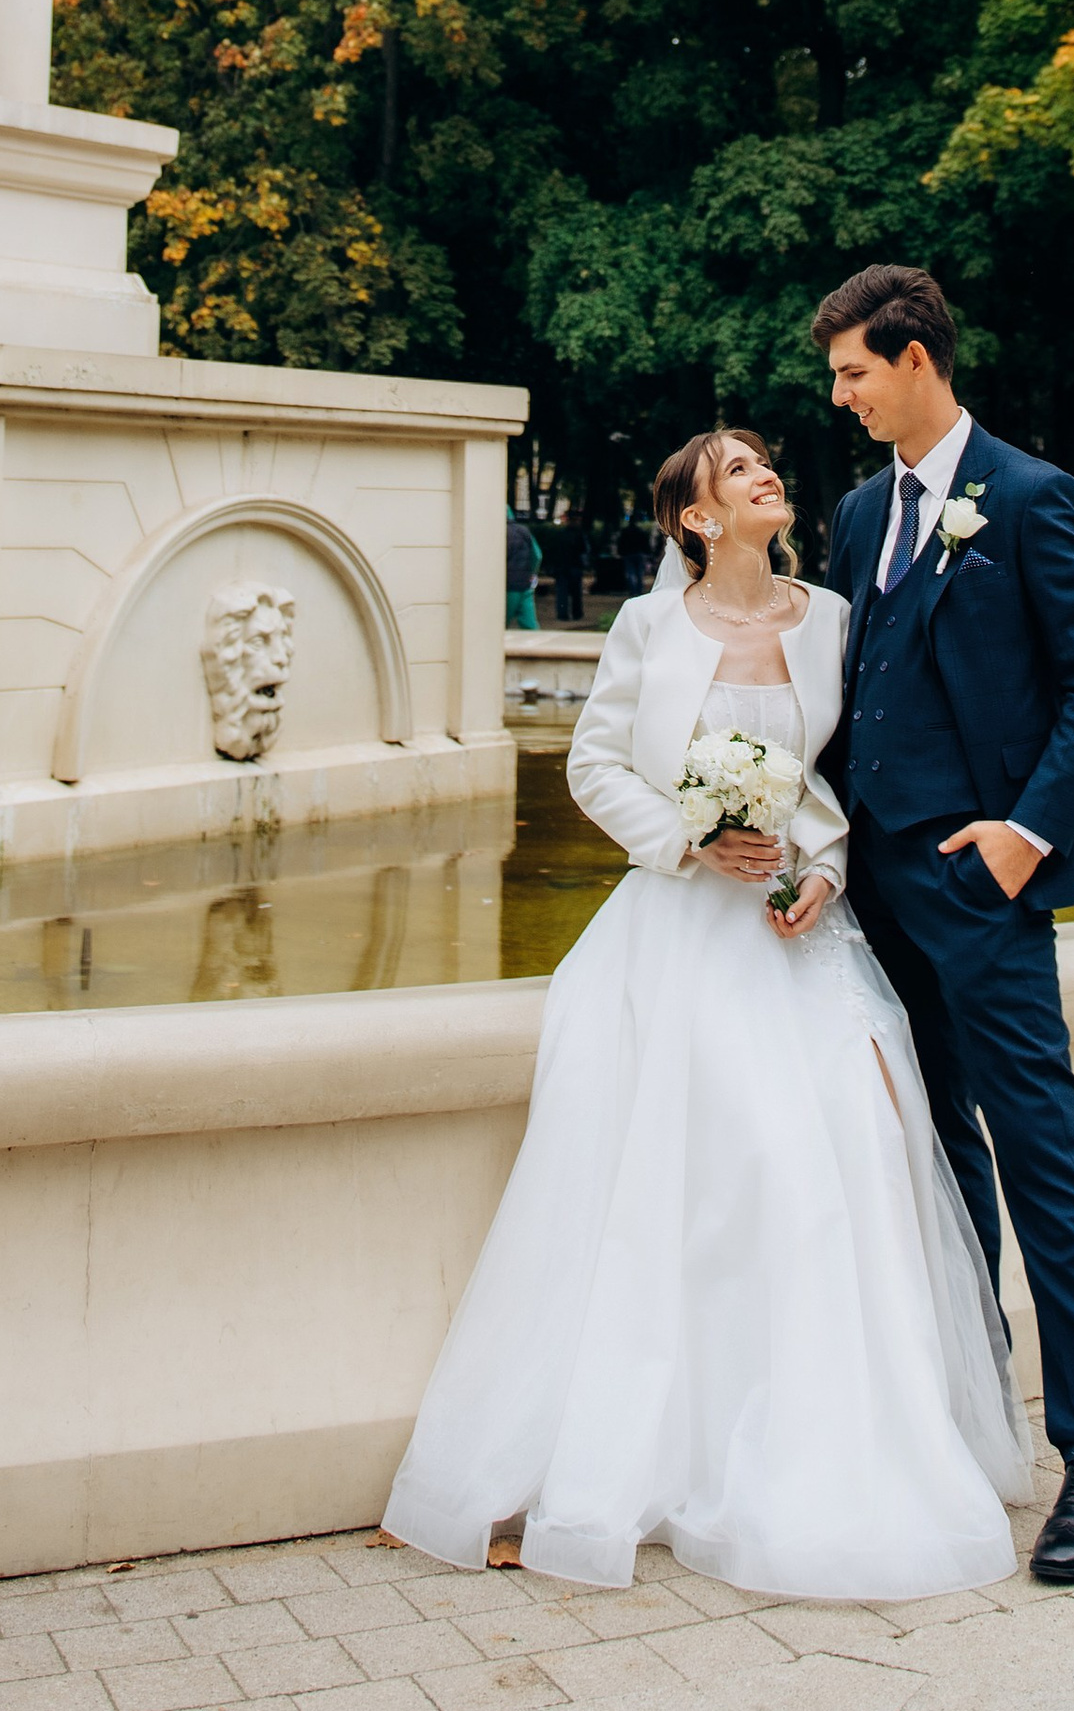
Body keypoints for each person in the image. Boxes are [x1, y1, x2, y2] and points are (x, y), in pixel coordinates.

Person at [382, 423, 1026, 1596]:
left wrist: (821, 868)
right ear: (695, 517)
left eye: (763, 461)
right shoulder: (644, 626)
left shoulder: (832, 617)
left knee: (839, 1162)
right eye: (736, 470)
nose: (763, 474)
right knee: (699, 1179)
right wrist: (689, 838)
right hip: (676, 934)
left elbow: (845, 777)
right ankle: (661, 1445)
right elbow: (593, 765)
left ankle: (830, 1436)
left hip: (800, 936)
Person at [812, 260, 1074, 1587]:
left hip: (984, 887)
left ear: (913, 356)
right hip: (877, 896)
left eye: (851, 370)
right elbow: (851, 691)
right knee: (936, 1160)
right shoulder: (853, 513)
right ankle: (973, 1418)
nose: (840, 396)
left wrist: (1023, 831)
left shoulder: (1029, 491)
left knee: (1041, 1157)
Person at [546, 508, 589, 625]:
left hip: (561, 567)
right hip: (575, 566)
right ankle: (577, 613)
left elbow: (552, 551)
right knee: (576, 592)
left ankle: (562, 613)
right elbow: (583, 551)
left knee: (562, 592)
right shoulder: (580, 535)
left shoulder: (560, 535)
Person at [504, 505, 541, 634]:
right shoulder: (524, 531)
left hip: (507, 586)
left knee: (499, 626)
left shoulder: (499, 532)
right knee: (530, 625)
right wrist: (532, 573)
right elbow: (537, 555)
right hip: (525, 584)